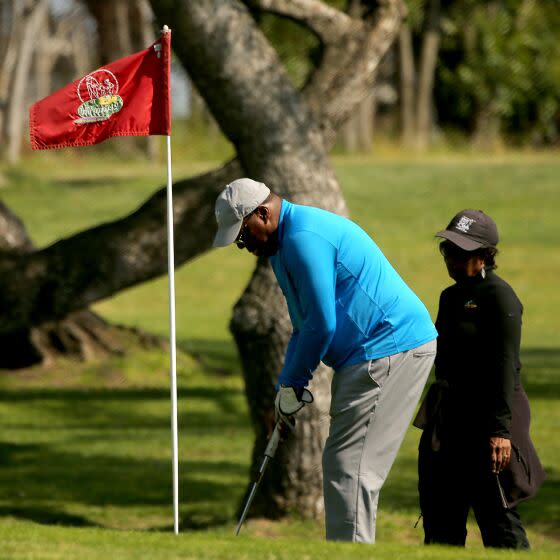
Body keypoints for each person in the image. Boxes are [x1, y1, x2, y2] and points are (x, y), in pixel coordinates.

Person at [213, 178, 438, 543]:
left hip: (389, 348)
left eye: (242, 233)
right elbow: (303, 327)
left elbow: (321, 325)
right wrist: (286, 387)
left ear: (263, 213)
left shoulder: (303, 239)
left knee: (351, 468)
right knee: (344, 464)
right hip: (371, 354)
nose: (242, 244)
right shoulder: (284, 248)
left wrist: (294, 384)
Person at [415, 209, 544, 549]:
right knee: (441, 522)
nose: (452, 259)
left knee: (499, 524)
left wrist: (500, 432)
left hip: (489, 425)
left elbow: (505, 368)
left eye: (462, 252)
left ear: (486, 255)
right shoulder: (449, 297)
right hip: (450, 422)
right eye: (448, 250)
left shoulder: (500, 297)